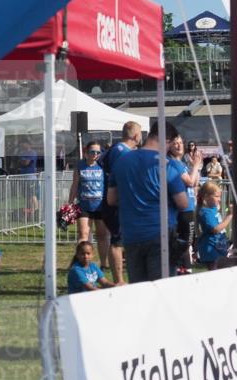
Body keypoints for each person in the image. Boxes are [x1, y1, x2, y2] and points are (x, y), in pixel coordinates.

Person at [106, 121, 188, 283]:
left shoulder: (122, 161)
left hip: (131, 234)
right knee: (162, 288)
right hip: (160, 234)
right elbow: (183, 203)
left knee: (139, 289)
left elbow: (111, 199)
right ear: (166, 140)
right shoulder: (166, 164)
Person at [98, 120, 142, 284]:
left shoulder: (117, 149)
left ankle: (122, 278)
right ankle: (119, 281)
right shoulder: (122, 152)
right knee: (117, 241)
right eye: (140, 134)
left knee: (120, 240)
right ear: (136, 136)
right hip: (116, 202)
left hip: (114, 201)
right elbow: (122, 177)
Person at [68, 140, 110, 268]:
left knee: (102, 235)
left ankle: (104, 264)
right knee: (83, 234)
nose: (95, 154)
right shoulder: (80, 166)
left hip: (100, 206)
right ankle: (80, 263)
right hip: (84, 206)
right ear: (86, 152)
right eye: (93, 152)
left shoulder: (102, 165)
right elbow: (75, 185)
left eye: (98, 152)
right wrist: (70, 203)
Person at [168, 134, 203, 273]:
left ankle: (184, 268)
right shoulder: (174, 163)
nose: (179, 146)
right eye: (175, 143)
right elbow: (190, 182)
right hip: (183, 209)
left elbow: (195, 182)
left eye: (181, 143)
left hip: (189, 206)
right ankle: (182, 268)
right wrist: (196, 165)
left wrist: (196, 167)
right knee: (184, 242)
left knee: (187, 241)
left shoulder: (181, 163)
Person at [196, 182, 233, 270]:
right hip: (211, 248)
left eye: (220, 197)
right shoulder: (206, 212)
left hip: (218, 247)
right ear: (206, 196)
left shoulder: (212, 208)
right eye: (217, 196)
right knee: (215, 271)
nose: (219, 199)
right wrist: (230, 216)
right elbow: (215, 229)